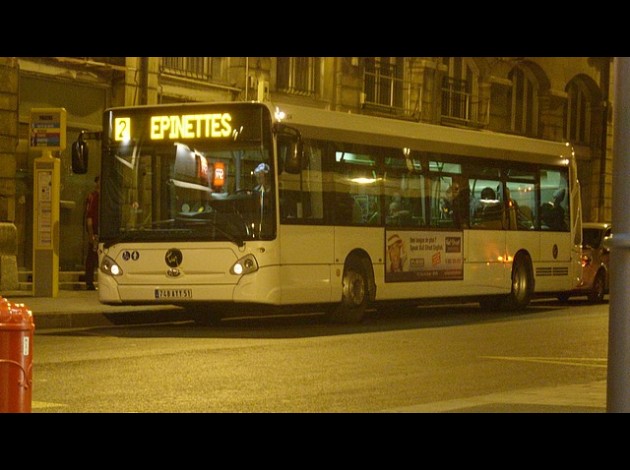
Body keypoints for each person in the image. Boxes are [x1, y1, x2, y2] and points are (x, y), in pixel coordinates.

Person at [84, 176, 100, 290]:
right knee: (93, 255)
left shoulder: (92, 196)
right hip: (96, 230)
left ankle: (90, 280)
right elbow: (89, 217)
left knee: (93, 255)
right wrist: (91, 234)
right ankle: (89, 281)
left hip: (95, 230)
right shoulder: (96, 197)